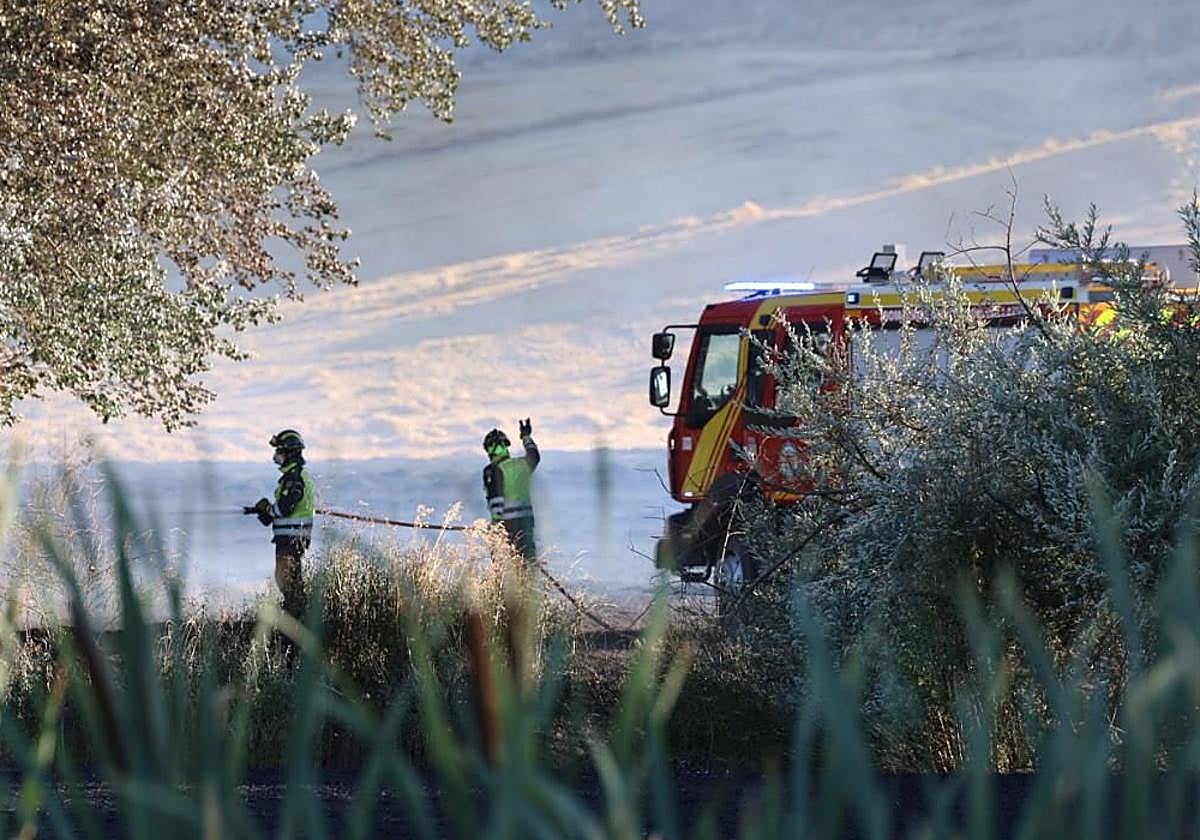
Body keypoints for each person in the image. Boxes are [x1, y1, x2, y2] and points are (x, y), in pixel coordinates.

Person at [247, 429, 314, 618]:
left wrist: (268, 509)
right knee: (288, 578)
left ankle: (296, 618)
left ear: (290, 453)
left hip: (292, 537)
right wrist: (267, 511)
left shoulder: (294, 478)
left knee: (286, 579)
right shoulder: (293, 475)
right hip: (291, 536)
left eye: (279, 451)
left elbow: (285, 507)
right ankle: (296, 615)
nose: (276, 456)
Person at [483, 418, 540, 562]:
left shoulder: (493, 470)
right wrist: (526, 437)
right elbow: (534, 456)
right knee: (527, 563)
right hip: (526, 524)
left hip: (507, 525)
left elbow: (496, 500)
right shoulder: (522, 465)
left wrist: (495, 527)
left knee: (504, 568)